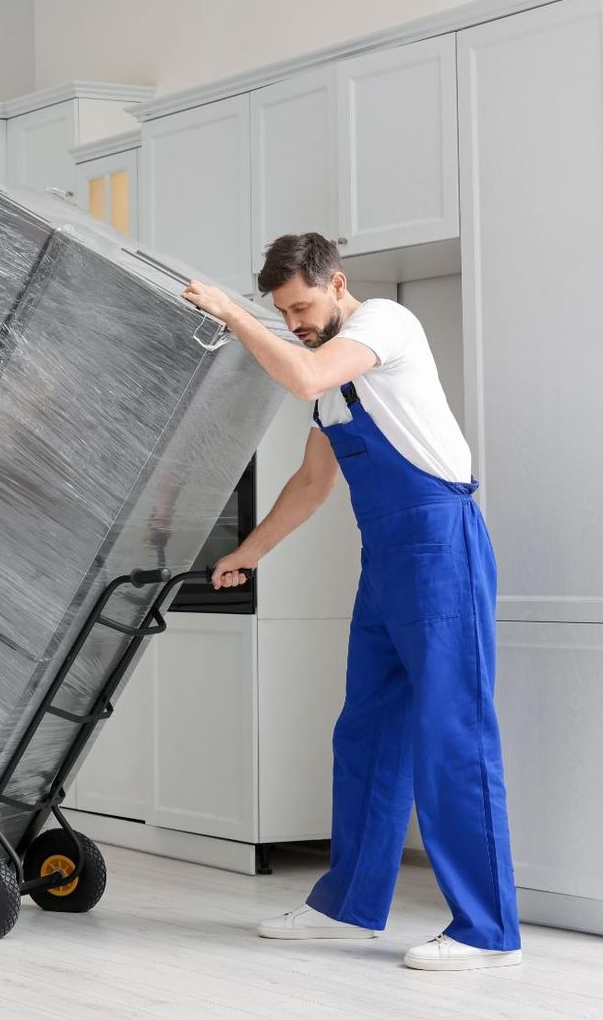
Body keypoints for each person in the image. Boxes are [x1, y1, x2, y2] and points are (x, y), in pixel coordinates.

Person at [181, 233, 522, 972]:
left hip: (441, 549)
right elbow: (312, 483)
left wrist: (234, 316)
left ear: (337, 285)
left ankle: (488, 932)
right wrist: (249, 552)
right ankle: (349, 906)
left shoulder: (384, 326)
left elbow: (301, 376)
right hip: (388, 563)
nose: (294, 321)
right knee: (365, 732)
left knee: (452, 734)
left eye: (301, 306)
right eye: (281, 311)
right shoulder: (335, 382)